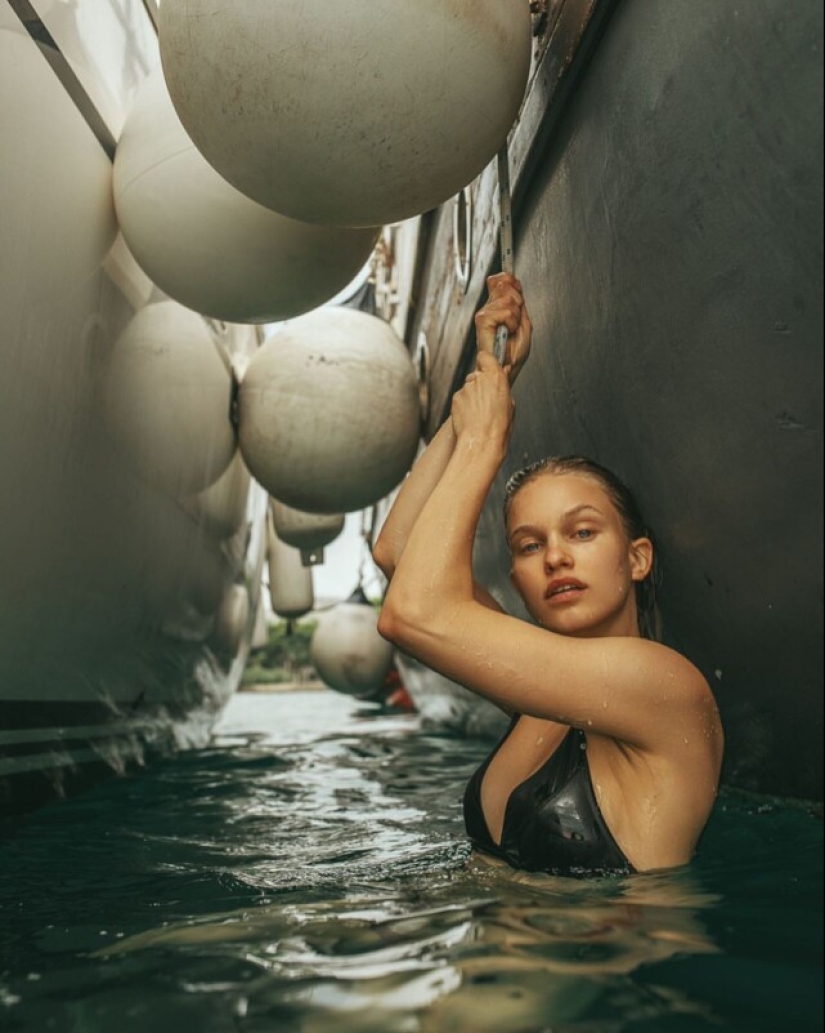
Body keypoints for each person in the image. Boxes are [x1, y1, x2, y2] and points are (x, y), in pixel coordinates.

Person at [373, 273, 724, 876]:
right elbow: (399, 554)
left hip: (606, 971)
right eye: (529, 545)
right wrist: (489, 381)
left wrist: (487, 439)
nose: (555, 556)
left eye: (582, 532)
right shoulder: (540, 693)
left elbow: (413, 612)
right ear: (517, 576)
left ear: (637, 558)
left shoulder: (666, 688)